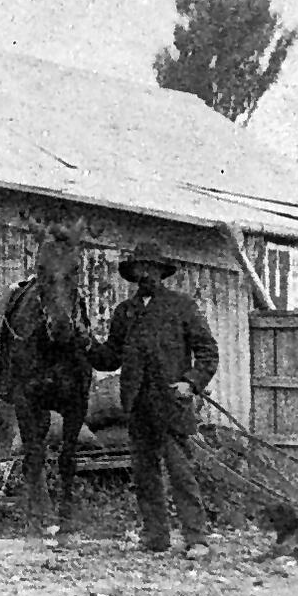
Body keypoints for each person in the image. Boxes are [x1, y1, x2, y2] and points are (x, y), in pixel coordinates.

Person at [84, 239, 220, 559]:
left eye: (152, 269)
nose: (146, 275)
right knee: (145, 476)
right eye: (140, 270)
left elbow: (207, 352)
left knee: (181, 473)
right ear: (133, 275)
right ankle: (156, 536)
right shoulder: (125, 312)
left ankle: (196, 538)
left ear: (161, 273)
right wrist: (85, 342)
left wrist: (191, 383)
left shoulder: (181, 306)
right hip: (137, 406)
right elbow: (109, 359)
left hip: (171, 403)